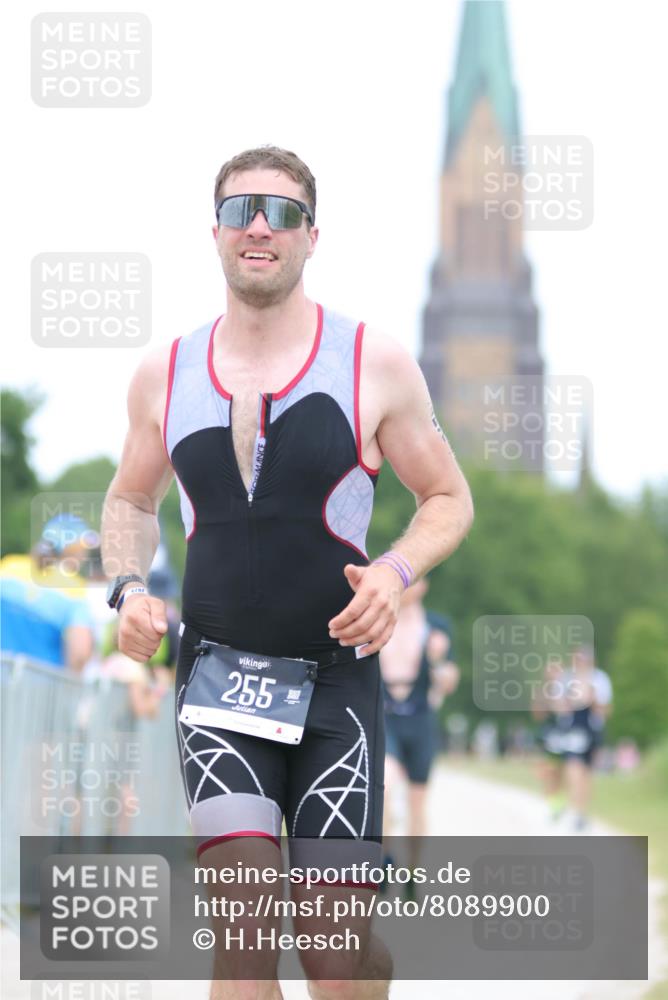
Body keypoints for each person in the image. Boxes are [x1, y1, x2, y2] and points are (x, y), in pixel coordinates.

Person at [101, 145, 474, 999]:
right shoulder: (164, 373)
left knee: (336, 963)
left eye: (282, 212)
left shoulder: (372, 363)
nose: (260, 226)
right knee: (241, 938)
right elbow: (128, 502)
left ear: (313, 236)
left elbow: (449, 497)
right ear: (217, 234)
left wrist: (393, 570)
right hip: (217, 683)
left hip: (337, 688)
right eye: (241, 211)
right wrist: (127, 591)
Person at [380, 578, 459, 892]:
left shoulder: (436, 626)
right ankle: (384, 860)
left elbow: (449, 681)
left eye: (409, 581)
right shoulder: (383, 616)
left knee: (417, 802)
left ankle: (412, 872)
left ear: (423, 585)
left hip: (421, 719)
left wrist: (438, 659)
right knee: (384, 786)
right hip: (386, 715)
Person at [533, 645, 613, 831]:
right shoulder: (565, 678)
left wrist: (592, 699)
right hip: (570, 730)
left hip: (591, 730)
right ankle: (567, 808)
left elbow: (605, 710)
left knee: (585, 773)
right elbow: (554, 705)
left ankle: (580, 812)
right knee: (570, 768)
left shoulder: (600, 679)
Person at [0, 515, 95, 672]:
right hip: (42, 689)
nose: (85, 557)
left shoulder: (8, 566)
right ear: (70, 550)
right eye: (82, 550)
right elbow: (80, 653)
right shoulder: (74, 589)